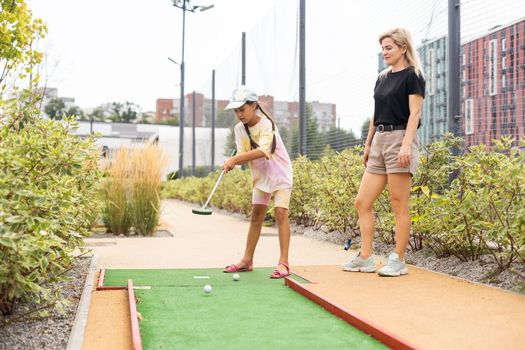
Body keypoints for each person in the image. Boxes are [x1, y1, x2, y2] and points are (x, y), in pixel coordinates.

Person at [342, 28, 425, 277]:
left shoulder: (414, 76)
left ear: (403, 48)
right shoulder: (381, 78)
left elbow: (415, 113)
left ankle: (398, 260)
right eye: (383, 49)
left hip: (400, 138)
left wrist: (406, 145)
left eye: (389, 48)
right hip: (379, 140)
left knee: (398, 204)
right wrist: (368, 144)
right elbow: (375, 114)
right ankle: (366, 257)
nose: (385, 52)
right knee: (362, 202)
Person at [222, 85, 293, 279]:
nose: (239, 114)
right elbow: (242, 153)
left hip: (280, 174)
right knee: (256, 217)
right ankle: (247, 260)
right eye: (236, 111)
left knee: (280, 214)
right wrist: (232, 163)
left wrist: (235, 160)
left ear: (253, 106)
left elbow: (263, 151)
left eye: (242, 109)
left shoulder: (266, 125)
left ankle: (284, 262)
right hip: (261, 176)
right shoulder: (239, 129)